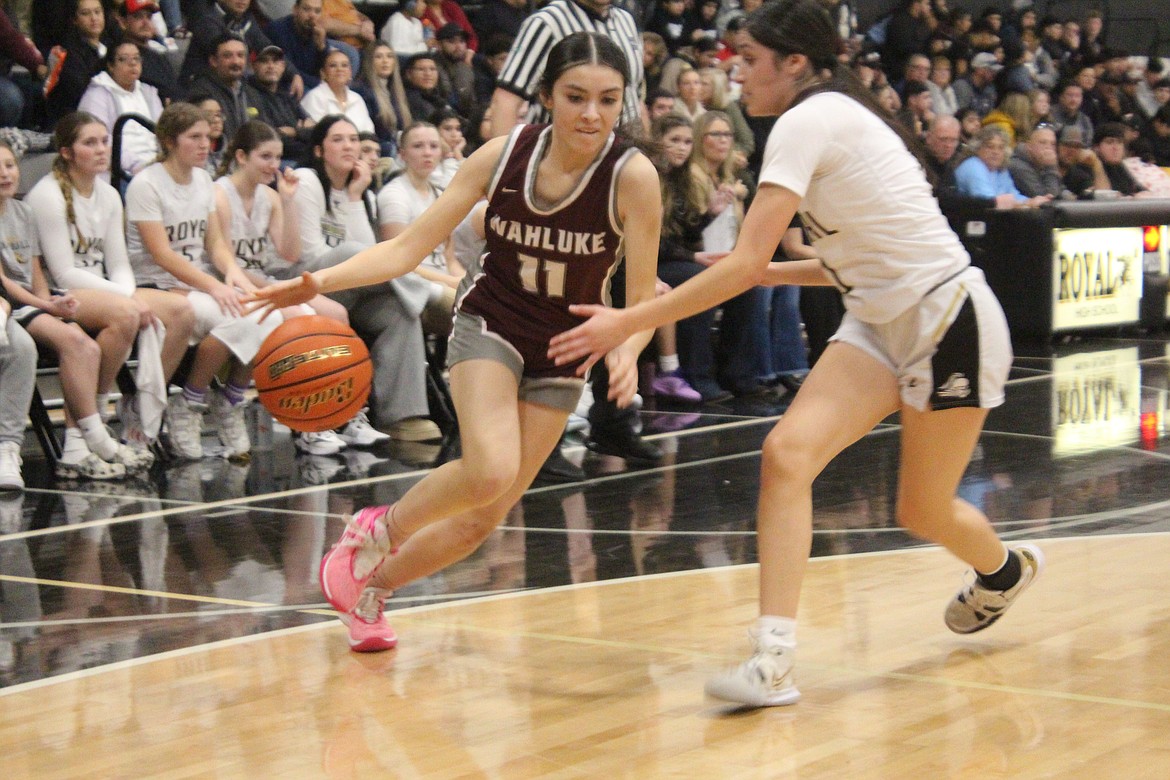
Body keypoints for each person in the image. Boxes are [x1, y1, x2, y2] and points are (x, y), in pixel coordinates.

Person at [548, 0, 1044, 708]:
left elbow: (747, 263)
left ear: (796, 64)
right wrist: (766, 271)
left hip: (946, 319)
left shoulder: (809, 120)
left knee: (923, 510)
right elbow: (838, 260)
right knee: (786, 455)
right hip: (878, 319)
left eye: (749, 60)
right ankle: (772, 658)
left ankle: (1003, 571)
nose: (736, 73)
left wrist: (630, 319)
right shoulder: (825, 116)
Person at [251, 32, 661, 650]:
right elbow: (406, 248)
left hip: (565, 347)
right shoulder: (502, 155)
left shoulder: (633, 176)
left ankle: (372, 589)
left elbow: (644, 295)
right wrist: (318, 280)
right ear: (546, 96)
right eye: (576, 97)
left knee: (485, 516)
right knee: (490, 467)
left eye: (608, 99)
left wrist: (627, 350)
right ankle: (373, 529)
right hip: (491, 320)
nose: (592, 114)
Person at [25, 111, 193, 459]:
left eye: (105, 141)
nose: (102, 149)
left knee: (180, 311)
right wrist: (125, 298)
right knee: (127, 314)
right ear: (67, 152)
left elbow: (118, 263)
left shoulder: (109, 195)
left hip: (102, 288)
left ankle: (140, 409)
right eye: (90, 143)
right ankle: (93, 417)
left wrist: (126, 293)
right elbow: (64, 272)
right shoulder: (48, 195)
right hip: (58, 293)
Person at [126, 101, 285, 460]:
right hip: (154, 285)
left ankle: (227, 399)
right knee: (231, 315)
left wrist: (231, 273)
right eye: (193, 137)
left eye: (206, 137)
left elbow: (215, 243)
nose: (204, 144)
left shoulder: (202, 180)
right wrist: (214, 286)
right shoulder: (146, 184)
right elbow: (161, 254)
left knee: (267, 313)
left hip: (196, 282)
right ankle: (191, 401)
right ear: (168, 141)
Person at [0, 134, 146, 481]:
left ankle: (78, 447)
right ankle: (96, 438)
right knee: (74, 343)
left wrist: (51, 301)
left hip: (28, 301)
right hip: (11, 304)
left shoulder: (22, 212)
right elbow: (7, 286)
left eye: (9, 166)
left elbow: (34, 276)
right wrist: (44, 306)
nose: (5, 174)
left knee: (85, 345)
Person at [290, 114, 440, 443]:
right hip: (308, 285)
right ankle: (431, 292)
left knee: (399, 309)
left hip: (350, 288)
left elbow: (371, 262)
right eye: (338, 139)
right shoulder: (306, 181)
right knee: (352, 254)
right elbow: (311, 255)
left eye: (354, 139)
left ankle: (399, 417)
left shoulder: (366, 194)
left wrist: (355, 197)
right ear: (318, 150)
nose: (349, 146)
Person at [78, 42, 164, 180]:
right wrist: (138, 166)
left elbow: (164, 131)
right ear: (111, 66)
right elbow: (101, 142)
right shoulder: (96, 95)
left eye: (136, 58)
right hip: (120, 172)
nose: (132, 64)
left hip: (157, 165)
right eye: (123, 59)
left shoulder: (149, 92)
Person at [46, 0, 110, 124]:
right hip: (78, 121)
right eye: (86, 13)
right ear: (74, 20)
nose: (94, 18)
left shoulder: (112, 47)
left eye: (98, 12)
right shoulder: (67, 53)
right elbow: (81, 92)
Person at [113, 0, 184, 104]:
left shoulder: (158, 56)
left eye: (149, 17)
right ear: (123, 22)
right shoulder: (119, 56)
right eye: (138, 17)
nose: (146, 23)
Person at [354, 41, 412, 157]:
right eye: (378, 57)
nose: (385, 61)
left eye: (389, 56)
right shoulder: (363, 91)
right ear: (369, 62)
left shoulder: (397, 91)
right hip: (379, 150)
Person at [300, 48, 375, 131]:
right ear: (323, 73)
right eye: (333, 65)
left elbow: (369, 131)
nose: (339, 69)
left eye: (344, 65)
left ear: (350, 72)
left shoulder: (357, 99)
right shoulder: (314, 97)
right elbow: (315, 133)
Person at [1007, 124, 1064, 198]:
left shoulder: (1041, 162)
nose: (1048, 148)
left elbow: (1060, 189)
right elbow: (1047, 198)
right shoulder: (1018, 166)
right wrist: (1051, 167)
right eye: (1042, 142)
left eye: (1052, 144)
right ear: (1029, 146)